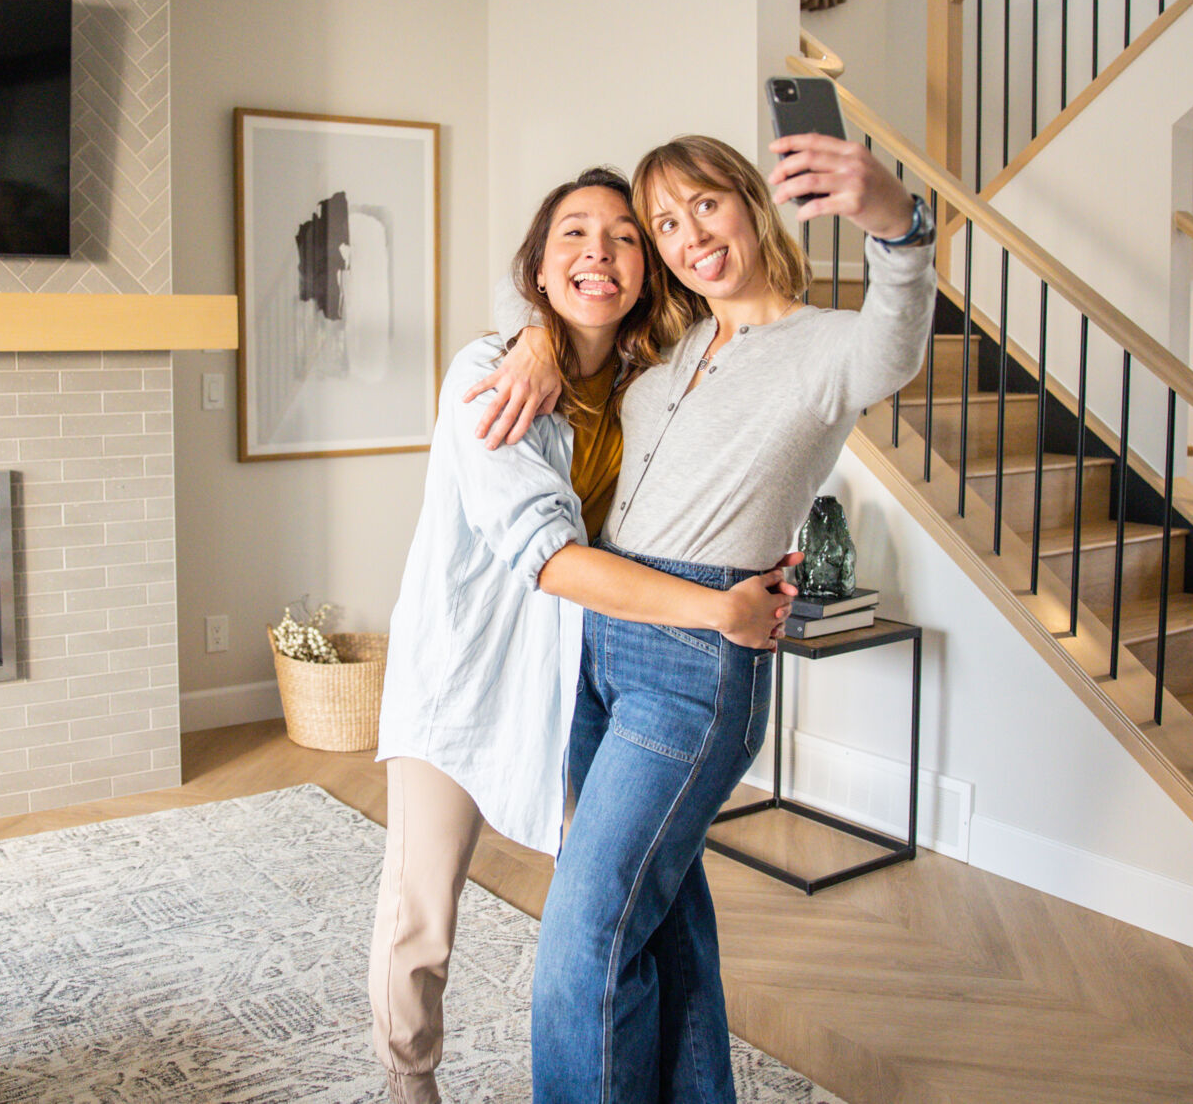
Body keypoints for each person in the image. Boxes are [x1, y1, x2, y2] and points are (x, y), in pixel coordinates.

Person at [472, 131, 937, 1103]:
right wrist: (529, 336)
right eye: (667, 224)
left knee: (584, 939)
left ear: (751, 203)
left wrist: (893, 220)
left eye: (706, 206)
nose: (689, 236)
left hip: (694, 663)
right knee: (664, 918)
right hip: (600, 644)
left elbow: (895, 337)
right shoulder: (671, 349)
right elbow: (573, 326)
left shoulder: (823, 348)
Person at [370, 167, 802, 1104]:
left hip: (573, 679)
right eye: (573, 234)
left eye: (622, 236)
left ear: (648, 267)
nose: (598, 253)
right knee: (422, 915)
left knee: (631, 893)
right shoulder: (488, 375)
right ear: (538, 260)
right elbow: (547, 557)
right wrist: (719, 609)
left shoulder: (657, 378)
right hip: (466, 668)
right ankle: (410, 1082)